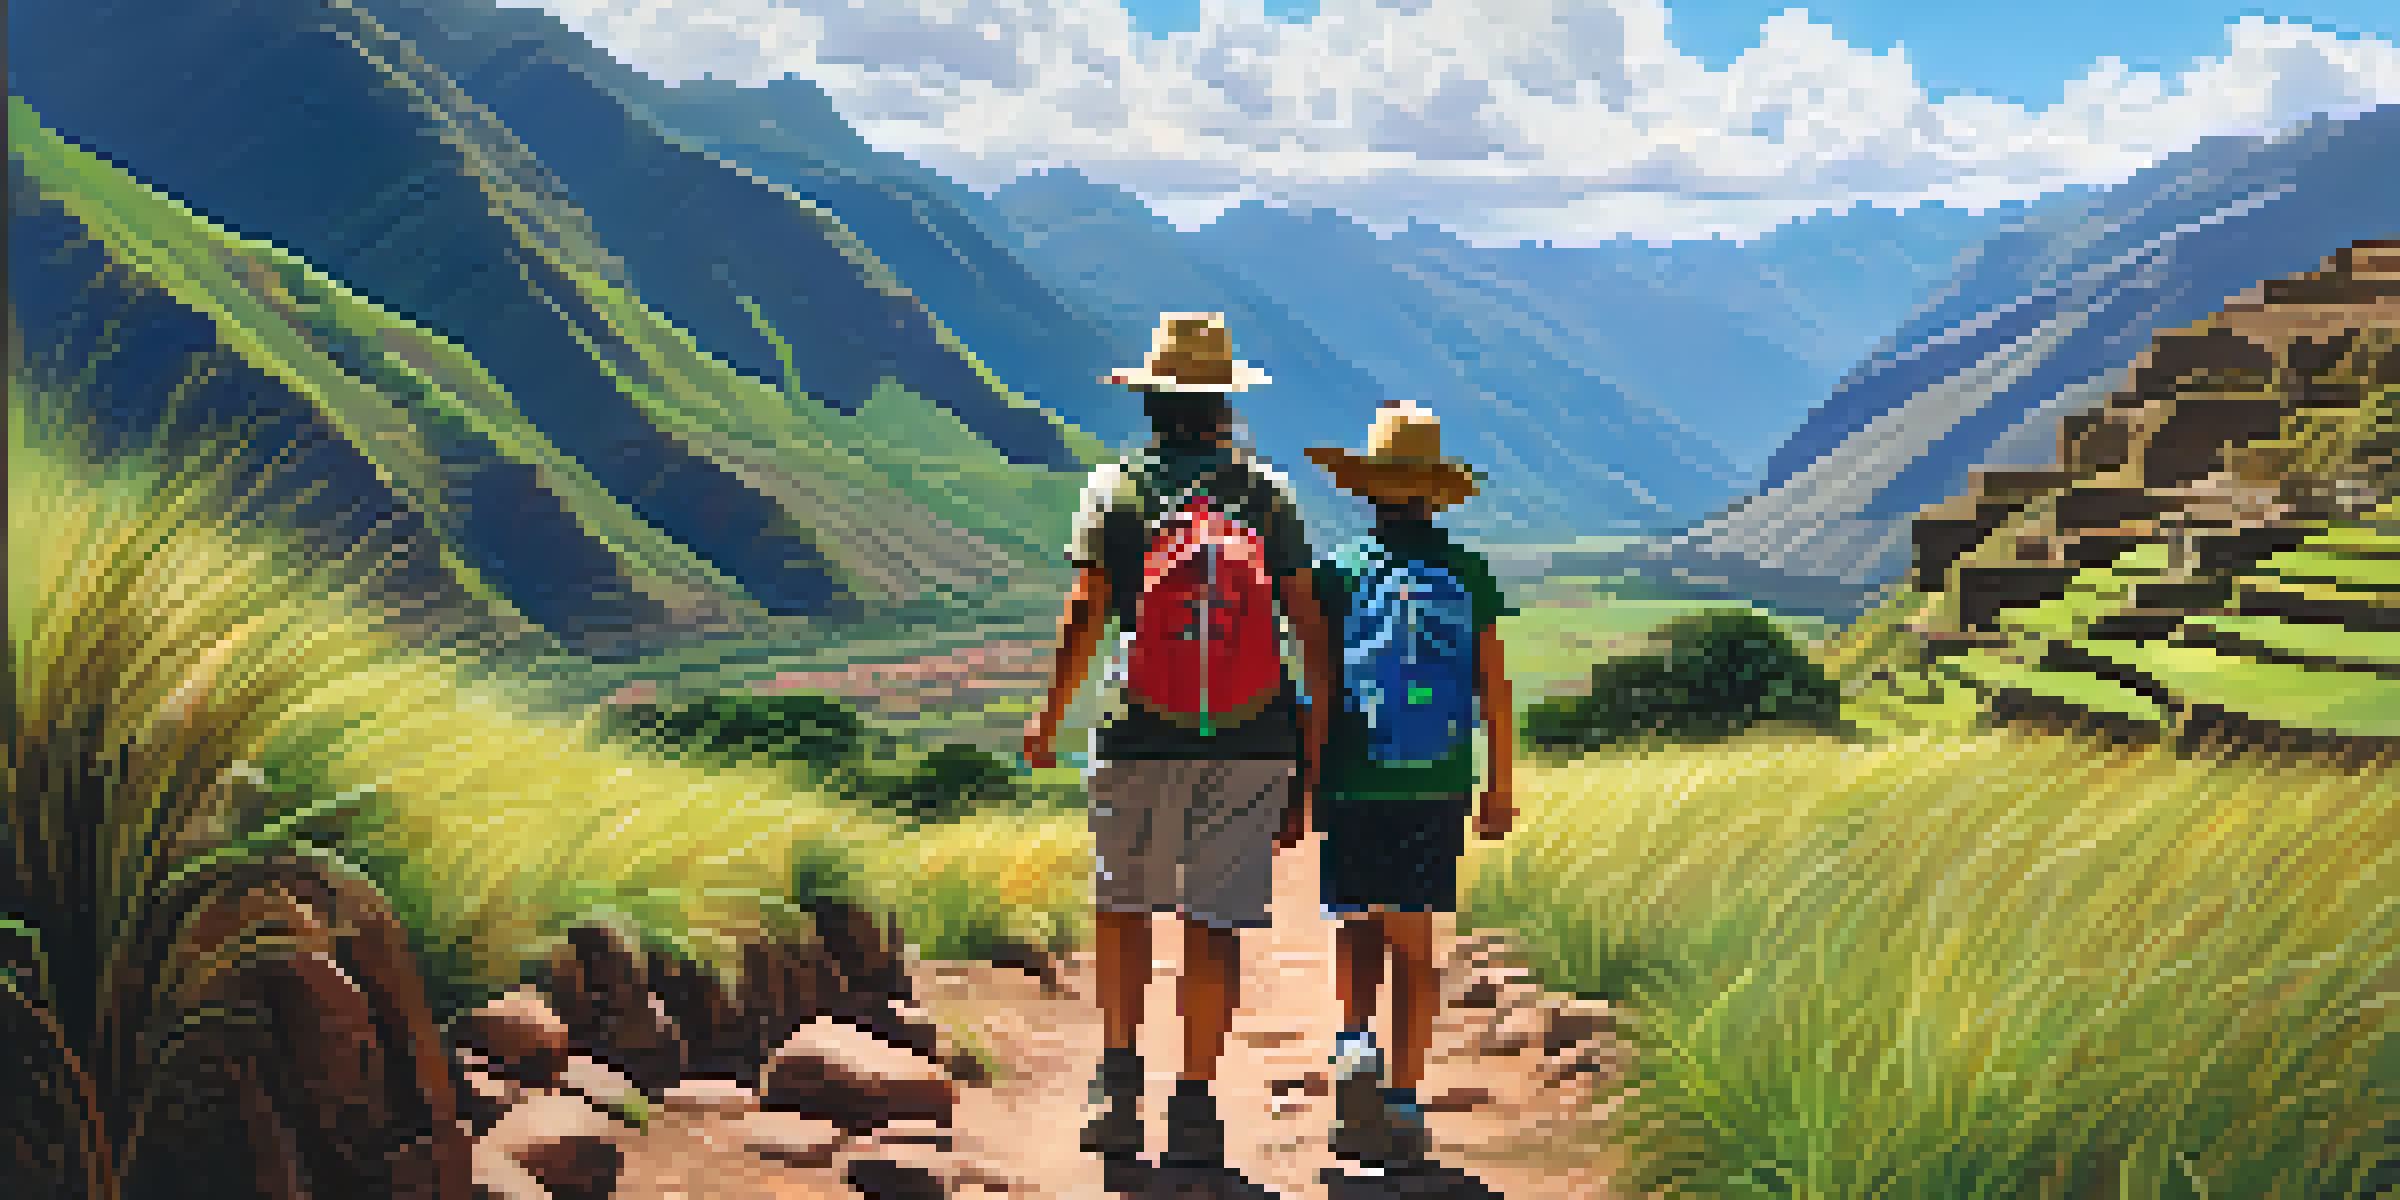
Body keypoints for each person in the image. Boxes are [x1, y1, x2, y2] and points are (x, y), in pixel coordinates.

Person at [1023, 312, 1337, 1175]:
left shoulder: (1114, 491)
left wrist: (1048, 718)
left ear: (1153, 400)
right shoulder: (1268, 496)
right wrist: (1313, 750)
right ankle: (1195, 1105)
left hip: (1137, 731)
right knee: (1216, 923)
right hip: (1252, 739)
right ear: (1225, 403)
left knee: (1124, 906)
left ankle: (1117, 1090)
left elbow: (1086, 609)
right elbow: (1309, 625)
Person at [1301, 400, 1517, 1168]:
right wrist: (1499, 786)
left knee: (1357, 924)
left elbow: (1321, 688)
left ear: (1366, 488)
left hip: (1356, 780)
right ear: (1435, 492)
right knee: (1416, 941)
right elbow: (1494, 686)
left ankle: (1354, 1054)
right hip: (1439, 779)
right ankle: (1403, 1099)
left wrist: (1307, 786)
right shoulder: (1466, 571)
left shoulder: (1339, 571)